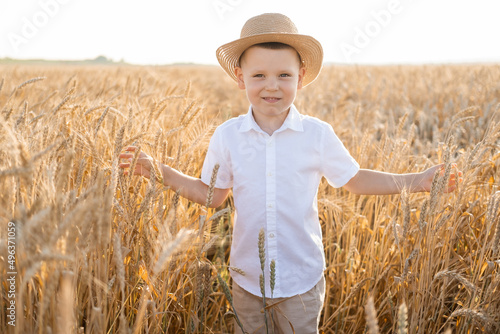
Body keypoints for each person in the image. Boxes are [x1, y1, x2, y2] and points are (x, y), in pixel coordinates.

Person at [119, 13, 462, 334]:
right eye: (259, 76)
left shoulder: (317, 135)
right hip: (247, 281)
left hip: (302, 283)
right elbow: (211, 194)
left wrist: (417, 181)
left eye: (284, 75)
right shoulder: (228, 136)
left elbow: (355, 179)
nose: (272, 86)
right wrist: (157, 171)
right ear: (240, 78)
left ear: (301, 76)